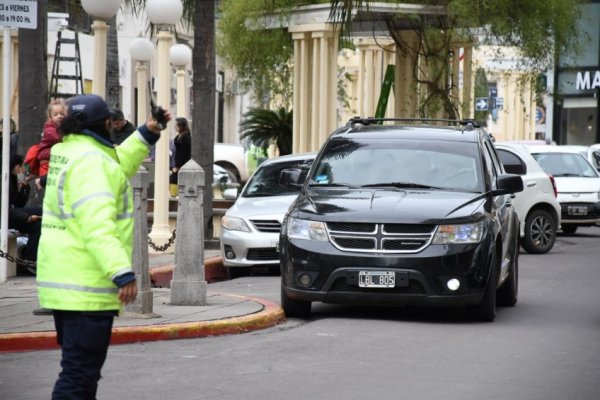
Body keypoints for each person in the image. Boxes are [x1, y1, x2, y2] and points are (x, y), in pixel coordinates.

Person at [36, 94, 170, 399]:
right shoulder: (93, 162)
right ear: (104, 123)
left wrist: (148, 132)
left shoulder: (72, 151)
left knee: (81, 374)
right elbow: (97, 225)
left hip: (66, 285)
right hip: (87, 289)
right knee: (78, 376)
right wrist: (121, 272)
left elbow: (117, 163)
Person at [5, 155, 42, 276]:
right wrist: (27, 217)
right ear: (17, 167)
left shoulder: (12, 178)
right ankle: (27, 262)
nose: (25, 169)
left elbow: (18, 203)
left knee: (38, 225)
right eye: (23, 166)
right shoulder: (4, 179)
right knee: (39, 212)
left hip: (11, 214)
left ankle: (28, 261)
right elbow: (5, 209)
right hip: (6, 216)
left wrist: (25, 184)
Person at [37, 98, 66, 176]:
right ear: (50, 117)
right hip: (46, 160)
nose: (59, 116)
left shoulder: (62, 127)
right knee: (46, 179)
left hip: (54, 158)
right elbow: (59, 138)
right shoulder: (49, 128)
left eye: (62, 114)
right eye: (55, 114)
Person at [169, 117, 192, 196]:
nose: (175, 126)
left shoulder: (185, 139)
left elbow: (183, 154)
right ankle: (174, 196)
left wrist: (177, 166)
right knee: (173, 180)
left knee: (174, 180)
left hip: (181, 165)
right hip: (177, 164)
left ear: (181, 126)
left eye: (176, 124)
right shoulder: (180, 137)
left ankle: (174, 197)